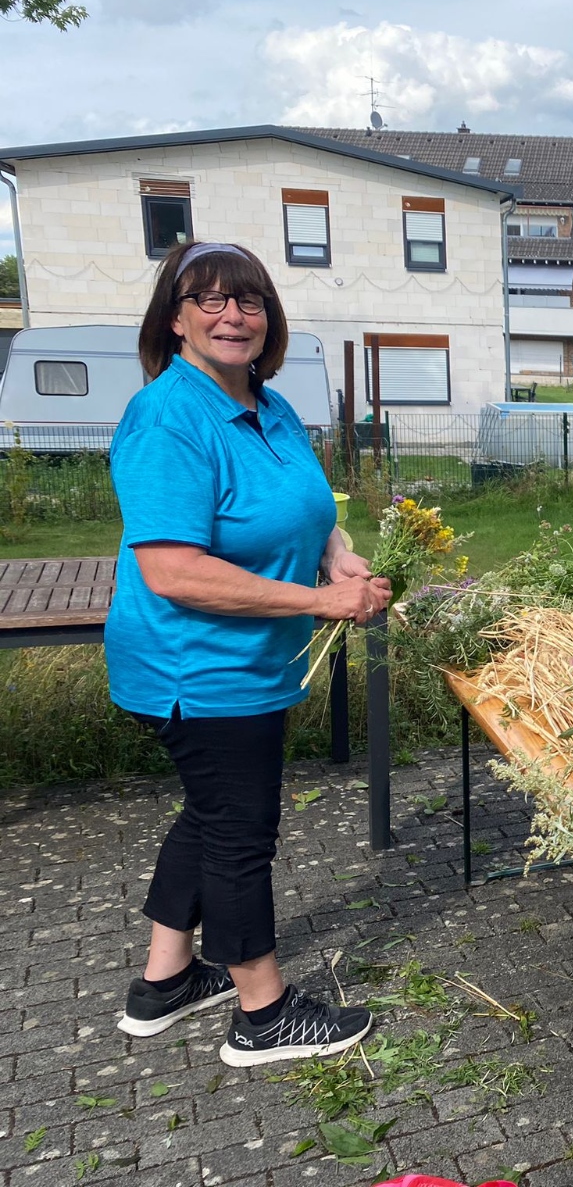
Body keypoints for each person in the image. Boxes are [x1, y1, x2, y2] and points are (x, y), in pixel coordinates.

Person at [108, 241, 389, 1065]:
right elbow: (172, 569)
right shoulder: (170, 416)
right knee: (239, 832)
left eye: (250, 301)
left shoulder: (267, 406)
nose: (233, 315)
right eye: (210, 300)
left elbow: (308, 508)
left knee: (209, 813)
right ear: (176, 318)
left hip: (252, 663)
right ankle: (263, 1016)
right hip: (199, 668)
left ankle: (164, 984)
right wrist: (322, 600)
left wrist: (335, 552)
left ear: (270, 320)